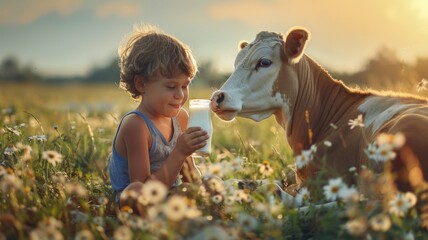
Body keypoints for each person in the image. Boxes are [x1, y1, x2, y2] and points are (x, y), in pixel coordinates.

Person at [109, 24, 209, 211]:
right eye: (171, 87)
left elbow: (189, 173)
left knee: (211, 184)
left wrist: (201, 188)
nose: (180, 95)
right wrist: (179, 151)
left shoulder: (181, 118)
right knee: (137, 191)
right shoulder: (136, 125)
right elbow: (145, 191)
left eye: (185, 85)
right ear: (141, 84)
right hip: (140, 201)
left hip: (170, 194)